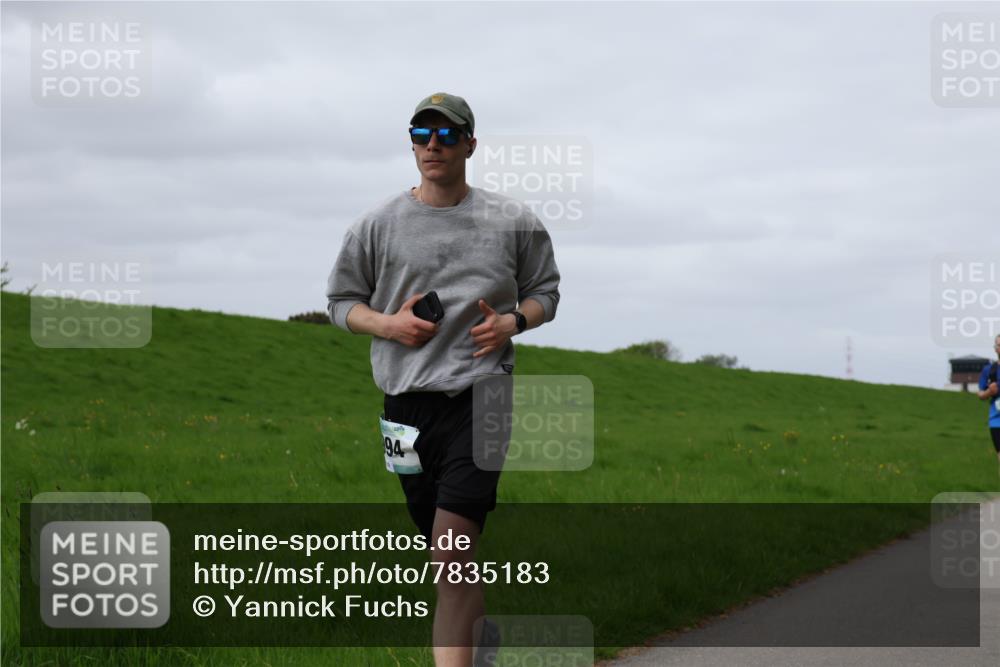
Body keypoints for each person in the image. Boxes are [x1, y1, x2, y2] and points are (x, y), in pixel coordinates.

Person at [325, 92, 561, 667]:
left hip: (484, 397)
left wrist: (512, 322)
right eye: (422, 134)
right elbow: (339, 302)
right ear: (411, 143)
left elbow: (546, 293)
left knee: (452, 551)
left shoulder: (513, 221)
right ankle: (480, 644)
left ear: (470, 145)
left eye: (448, 135)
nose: (434, 145)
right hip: (406, 406)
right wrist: (389, 324)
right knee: (446, 553)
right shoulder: (376, 225)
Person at [977, 334, 1000, 471]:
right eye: (998, 345)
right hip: (996, 420)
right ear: (995, 349)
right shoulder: (989, 370)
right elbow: (980, 393)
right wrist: (989, 392)